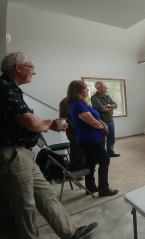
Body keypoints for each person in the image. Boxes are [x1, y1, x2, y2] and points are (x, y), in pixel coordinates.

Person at [0, 52, 97, 238]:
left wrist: (48, 124)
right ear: (18, 68)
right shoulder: (5, 89)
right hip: (13, 155)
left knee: (46, 195)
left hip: (25, 153)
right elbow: (31, 123)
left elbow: (29, 120)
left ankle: (71, 233)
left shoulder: (13, 89)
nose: (34, 72)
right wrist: (47, 125)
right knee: (25, 205)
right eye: (31, 68)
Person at [67, 80, 118, 197]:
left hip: (92, 137)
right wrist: (103, 127)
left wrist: (103, 124)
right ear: (79, 91)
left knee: (91, 162)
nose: (88, 90)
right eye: (85, 88)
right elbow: (92, 122)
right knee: (104, 160)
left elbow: (96, 117)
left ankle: (90, 186)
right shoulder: (77, 105)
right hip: (90, 138)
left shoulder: (82, 103)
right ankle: (104, 189)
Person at [91, 81, 120, 157]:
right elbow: (101, 108)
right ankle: (102, 154)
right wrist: (109, 107)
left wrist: (108, 106)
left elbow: (115, 105)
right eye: (104, 87)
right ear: (98, 88)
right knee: (102, 138)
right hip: (102, 121)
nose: (106, 88)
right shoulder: (94, 98)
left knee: (111, 137)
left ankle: (110, 152)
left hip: (110, 120)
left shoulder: (107, 97)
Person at [59, 97, 85, 169]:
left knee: (83, 150)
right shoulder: (65, 102)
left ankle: (83, 167)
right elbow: (64, 117)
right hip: (73, 131)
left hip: (83, 130)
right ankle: (76, 170)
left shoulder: (81, 100)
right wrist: (76, 126)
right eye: (85, 88)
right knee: (76, 151)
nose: (87, 90)